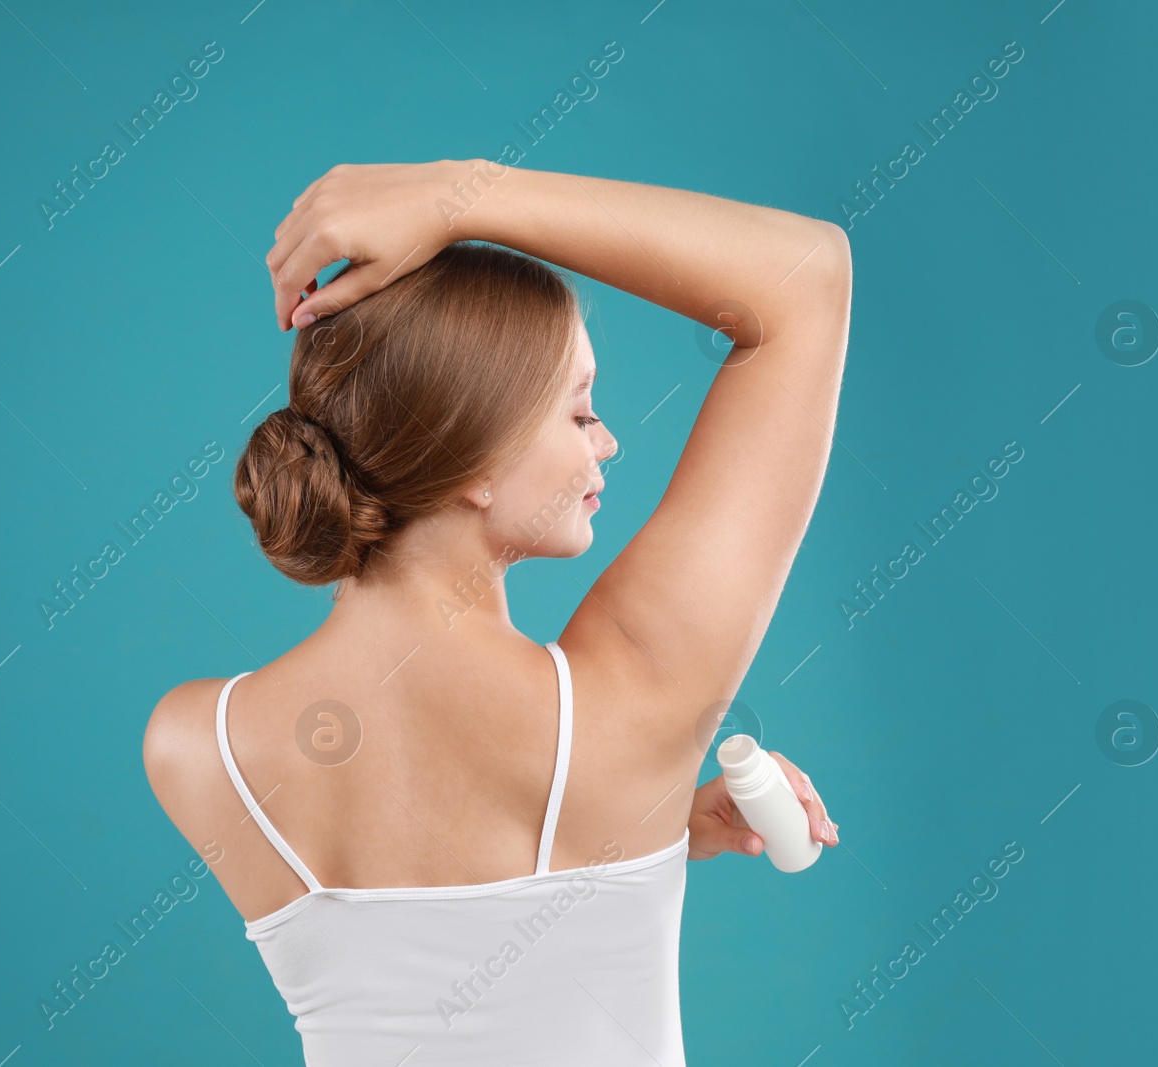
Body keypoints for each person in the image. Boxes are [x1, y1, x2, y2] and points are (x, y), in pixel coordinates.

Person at [143, 159, 852, 1065]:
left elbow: (429, 933)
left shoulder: (194, 744)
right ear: (474, 459)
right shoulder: (635, 699)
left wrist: (653, 828)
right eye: (579, 410)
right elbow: (806, 276)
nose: (607, 440)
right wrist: (462, 191)